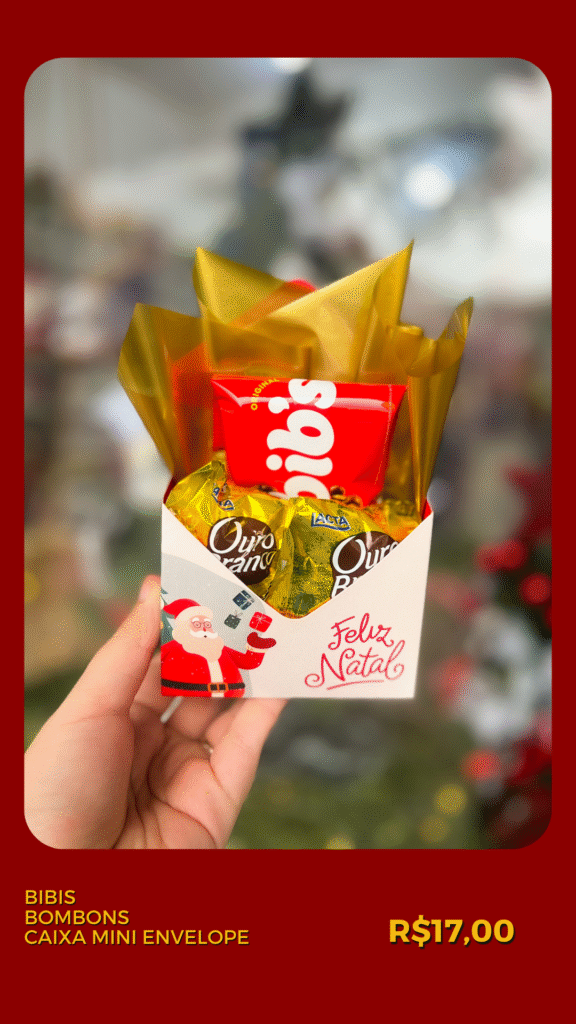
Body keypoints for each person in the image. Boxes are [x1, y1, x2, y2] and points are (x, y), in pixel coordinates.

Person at [24, 576, 287, 849]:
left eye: (207, 625)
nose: (206, 630)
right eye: (198, 625)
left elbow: (248, 660)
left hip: (216, 704)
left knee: (254, 716)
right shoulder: (182, 657)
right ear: (183, 631)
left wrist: (256, 643)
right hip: (192, 715)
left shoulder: (220, 648)